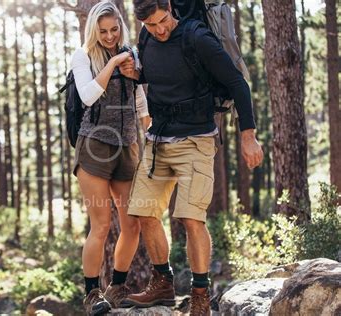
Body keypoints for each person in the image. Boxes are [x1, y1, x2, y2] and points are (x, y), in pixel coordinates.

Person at [118, 0, 264, 314]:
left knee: (191, 218)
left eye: (161, 22)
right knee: (144, 212)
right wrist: (136, 73)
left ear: (169, 6)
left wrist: (248, 134)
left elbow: (237, 82)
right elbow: (159, 75)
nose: (158, 30)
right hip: (158, 139)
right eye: (150, 26)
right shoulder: (147, 38)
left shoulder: (197, 37)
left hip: (196, 139)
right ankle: (163, 284)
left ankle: (199, 294)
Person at [70, 1, 151, 315]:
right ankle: (92, 294)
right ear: (94, 29)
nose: (109, 35)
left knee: (133, 225)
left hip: (128, 146)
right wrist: (114, 61)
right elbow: (88, 94)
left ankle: (117, 287)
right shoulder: (83, 55)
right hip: (94, 146)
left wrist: (150, 130)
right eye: (102, 31)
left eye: (114, 29)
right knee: (101, 226)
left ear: (121, 26)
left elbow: (140, 99)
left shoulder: (132, 53)